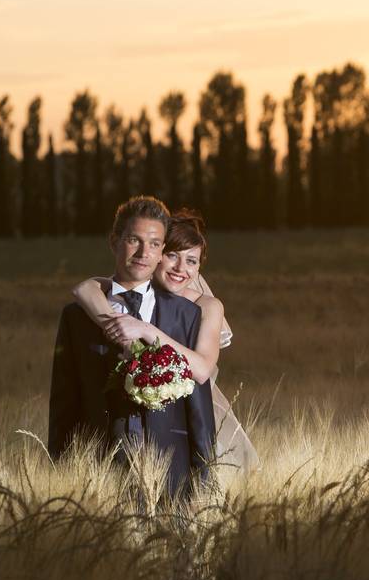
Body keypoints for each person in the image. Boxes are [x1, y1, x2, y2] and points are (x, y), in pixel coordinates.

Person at [48, 196, 216, 498]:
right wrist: (60, 481)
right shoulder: (77, 317)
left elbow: (199, 411)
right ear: (114, 242)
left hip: (171, 474)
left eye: (154, 244)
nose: (143, 252)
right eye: (133, 240)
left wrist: (205, 485)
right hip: (98, 474)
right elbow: (64, 404)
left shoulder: (187, 315)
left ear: (162, 248)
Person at [72, 209, 259, 473]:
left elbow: (203, 369)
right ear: (157, 256)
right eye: (172, 256)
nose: (181, 269)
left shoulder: (206, 306)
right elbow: (84, 289)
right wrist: (114, 326)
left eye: (192, 261)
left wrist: (145, 330)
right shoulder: (136, 294)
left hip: (189, 414)